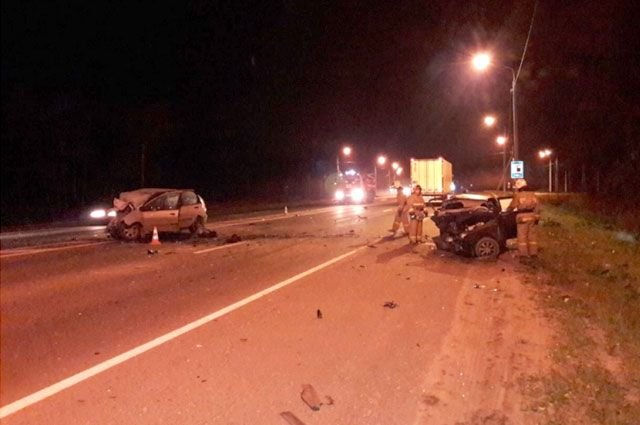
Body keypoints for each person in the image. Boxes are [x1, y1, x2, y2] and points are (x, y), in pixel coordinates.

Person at [507, 178, 540, 258]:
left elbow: (512, 206)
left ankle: (523, 255)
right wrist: (536, 216)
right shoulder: (533, 195)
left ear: (519, 187)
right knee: (532, 237)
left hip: (522, 218)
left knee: (522, 237)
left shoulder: (518, 195)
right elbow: (538, 206)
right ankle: (533, 253)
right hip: (532, 217)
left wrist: (507, 211)